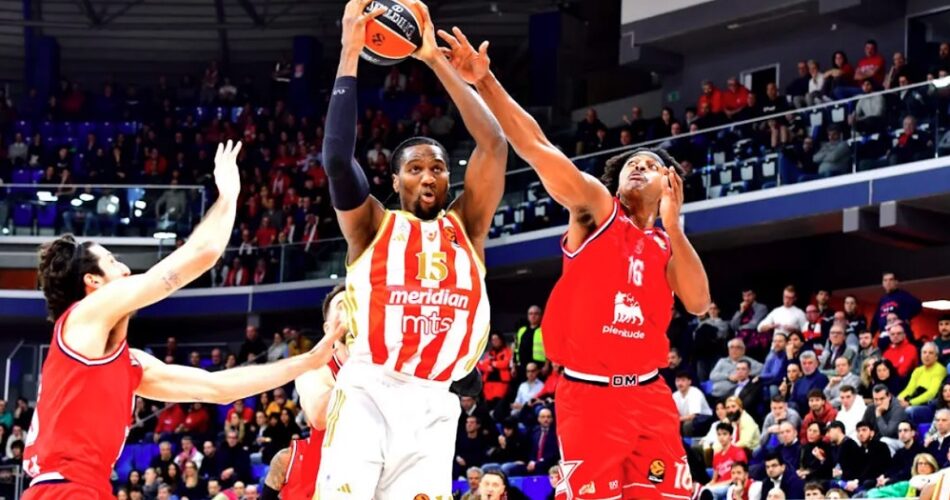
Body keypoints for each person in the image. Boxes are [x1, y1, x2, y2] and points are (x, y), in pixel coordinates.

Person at [440, 24, 711, 500]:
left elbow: (699, 302)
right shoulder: (597, 209)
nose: (638, 166)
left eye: (650, 165)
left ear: (671, 185)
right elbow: (538, 146)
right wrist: (485, 81)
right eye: (631, 163)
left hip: (649, 394)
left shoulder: (666, 244)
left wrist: (675, 226)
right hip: (590, 396)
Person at [23, 141, 344, 500]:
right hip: (64, 489)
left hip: (86, 489)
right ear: (92, 281)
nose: (125, 269)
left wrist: (309, 360)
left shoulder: (130, 364)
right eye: (112, 261)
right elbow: (202, 253)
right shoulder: (83, 315)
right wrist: (229, 197)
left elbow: (219, 388)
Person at [317, 2, 507, 497]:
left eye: (438, 168)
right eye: (416, 168)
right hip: (369, 391)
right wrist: (350, 53)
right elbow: (336, 159)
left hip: (435, 402)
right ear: (396, 179)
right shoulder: (371, 225)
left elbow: (493, 144)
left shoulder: (468, 225)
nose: (428, 177)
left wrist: (434, 59)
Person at [260, 285, 349, 500]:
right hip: (326, 468)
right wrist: (360, 366)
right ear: (328, 328)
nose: (352, 311)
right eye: (343, 306)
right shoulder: (313, 369)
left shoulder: (390, 364)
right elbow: (320, 417)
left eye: (357, 303)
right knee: (282, 460)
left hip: (383, 462)